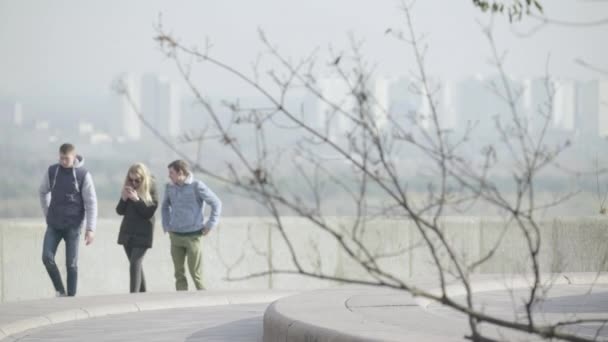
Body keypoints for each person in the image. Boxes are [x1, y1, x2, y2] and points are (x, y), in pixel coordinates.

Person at [39, 143, 97, 297]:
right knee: (46, 257)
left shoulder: (83, 175)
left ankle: (71, 297)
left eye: (67, 158)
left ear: (74, 157)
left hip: (73, 226)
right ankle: (60, 290)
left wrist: (90, 229)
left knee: (71, 265)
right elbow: (43, 191)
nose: (63, 161)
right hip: (54, 225)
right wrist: (47, 214)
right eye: (61, 158)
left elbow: (91, 203)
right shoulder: (52, 171)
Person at [162, 159, 222, 291]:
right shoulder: (169, 187)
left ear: (180, 172)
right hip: (175, 236)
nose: (169, 175)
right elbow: (165, 206)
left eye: (171, 172)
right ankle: (181, 302)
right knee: (178, 274)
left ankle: (205, 302)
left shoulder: (196, 186)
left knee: (196, 274)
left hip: (193, 236)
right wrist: (166, 225)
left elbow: (216, 203)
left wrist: (210, 224)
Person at [116, 163, 158, 293]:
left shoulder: (151, 188)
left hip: (143, 233)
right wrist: (123, 199)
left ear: (143, 178)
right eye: (131, 179)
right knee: (136, 266)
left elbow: (149, 212)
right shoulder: (128, 188)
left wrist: (136, 199)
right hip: (128, 232)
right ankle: (143, 295)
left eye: (137, 180)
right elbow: (120, 211)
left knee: (135, 263)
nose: (133, 183)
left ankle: (133, 296)